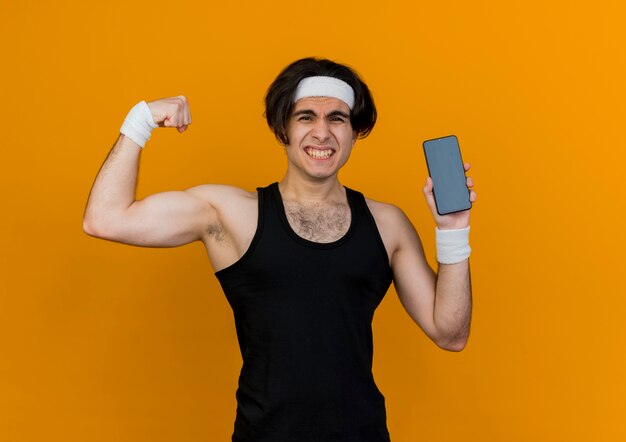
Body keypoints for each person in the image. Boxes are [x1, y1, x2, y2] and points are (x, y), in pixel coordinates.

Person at [83, 57, 476, 442]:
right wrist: (141, 120)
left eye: (337, 118)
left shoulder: (388, 224)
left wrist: (454, 231)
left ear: (355, 132)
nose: (322, 133)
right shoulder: (231, 214)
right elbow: (105, 219)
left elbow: (450, 333)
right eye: (306, 116)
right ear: (282, 129)